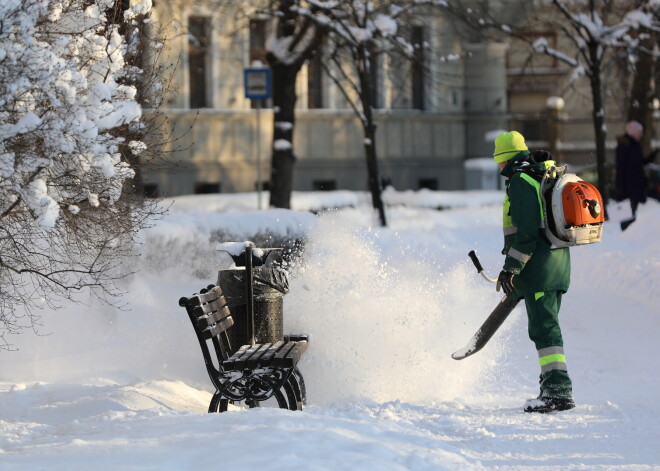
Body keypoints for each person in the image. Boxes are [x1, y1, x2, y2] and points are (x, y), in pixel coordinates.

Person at [493, 131, 574, 413]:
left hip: (539, 268)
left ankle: (557, 391)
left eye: (499, 162)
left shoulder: (520, 181)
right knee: (545, 326)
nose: (499, 168)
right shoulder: (544, 176)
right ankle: (550, 387)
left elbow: (526, 233)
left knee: (544, 328)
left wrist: (511, 267)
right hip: (557, 263)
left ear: (505, 160)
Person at [615, 121, 649, 231]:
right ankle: (625, 235)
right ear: (633, 132)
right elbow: (621, 167)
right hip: (627, 187)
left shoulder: (635, 145)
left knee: (632, 212)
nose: (641, 135)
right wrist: (619, 186)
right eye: (639, 132)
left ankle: (629, 235)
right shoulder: (624, 146)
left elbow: (639, 163)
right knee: (626, 215)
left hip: (634, 186)